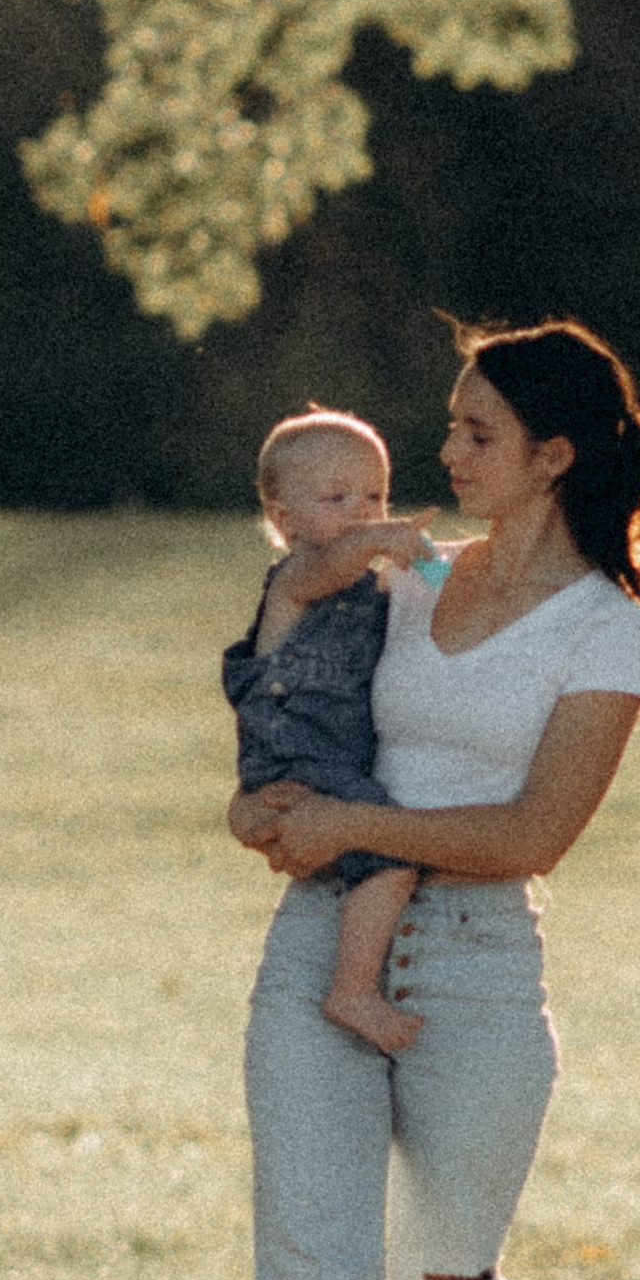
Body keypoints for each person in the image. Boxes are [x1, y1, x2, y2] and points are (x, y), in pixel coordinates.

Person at [230, 319, 640, 1280]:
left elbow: (537, 831)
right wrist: (267, 797)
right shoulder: (403, 577)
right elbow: (286, 675)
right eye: (453, 423)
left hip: (477, 963)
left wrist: (354, 822)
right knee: (312, 1266)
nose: (446, 452)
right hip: (318, 946)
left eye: (479, 431)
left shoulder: (611, 629)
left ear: (553, 454)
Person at [221, 409, 439, 1058]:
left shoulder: (372, 587)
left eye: (374, 495)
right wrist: (375, 540)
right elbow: (334, 565)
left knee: (376, 849)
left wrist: (434, 573)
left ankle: (353, 983)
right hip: (298, 753)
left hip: (332, 761)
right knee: (392, 855)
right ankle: (352, 990)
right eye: (336, 498)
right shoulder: (295, 582)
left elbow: (435, 594)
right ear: (285, 521)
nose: (363, 512)